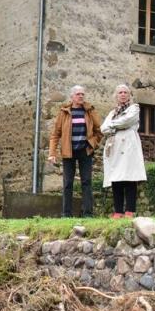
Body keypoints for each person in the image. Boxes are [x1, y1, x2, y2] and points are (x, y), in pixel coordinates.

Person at [48, 85, 103, 217]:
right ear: (72, 96)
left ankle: (88, 213)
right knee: (67, 183)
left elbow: (99, 131)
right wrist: (52, 153)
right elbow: (55, 134)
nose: (81, 96)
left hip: (85, 150)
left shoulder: (89, 111)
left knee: (86, 182)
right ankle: (66, 214)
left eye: (82, 94)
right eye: (78, 94)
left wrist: (93, 144)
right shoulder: (64, 112)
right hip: (69, 151)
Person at [100, 84, 147, 219]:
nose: (123, 94)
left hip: (129, 145)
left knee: (129, 177)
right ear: (116, 95)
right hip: (114, 146)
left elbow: (127, 121)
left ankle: (130, 211)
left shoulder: (134, 108)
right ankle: (118, 211)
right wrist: (114, 126)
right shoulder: (112, 113)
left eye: (125, 92)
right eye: (120, 92)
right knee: (116, 177)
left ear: (129, 95)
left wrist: (112, 126)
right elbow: (103, 128)